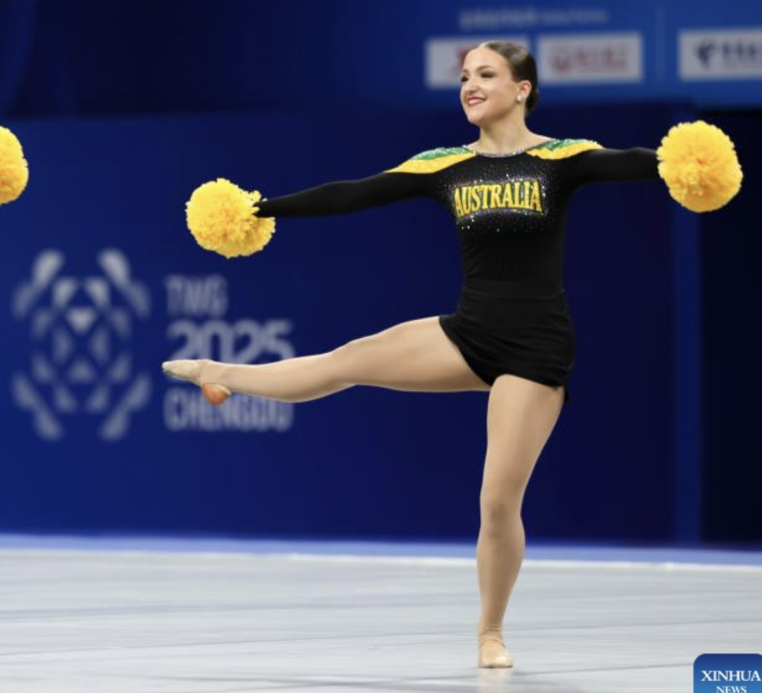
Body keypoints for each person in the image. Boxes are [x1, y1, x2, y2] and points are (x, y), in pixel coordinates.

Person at [164, 40, 670, 668]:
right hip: (468, 332)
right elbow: (351, 193)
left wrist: (685, 163)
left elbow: (639, 162)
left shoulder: (565, 158)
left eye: (486, 74)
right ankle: (221, 375)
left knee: (496, 501)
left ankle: (490, 631)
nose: (470, 85)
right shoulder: (444, 165)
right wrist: (261, 207)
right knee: (347, 359)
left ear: (523, 89)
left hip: (535, 347)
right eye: (464, 77)